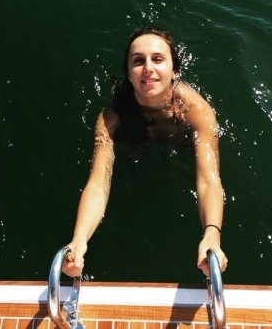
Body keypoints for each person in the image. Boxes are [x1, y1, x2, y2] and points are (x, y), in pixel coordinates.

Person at [62, 27, 228, 278]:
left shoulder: (196, 111)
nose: (148, 68)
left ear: (174, 70)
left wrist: (212, 235)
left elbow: (209, 179)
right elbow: (98, 183)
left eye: (158, 59)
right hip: (134, 138)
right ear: (129, 74)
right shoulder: (111, 117)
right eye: (138, 61)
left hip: (179, 141)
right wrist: (79, 240)